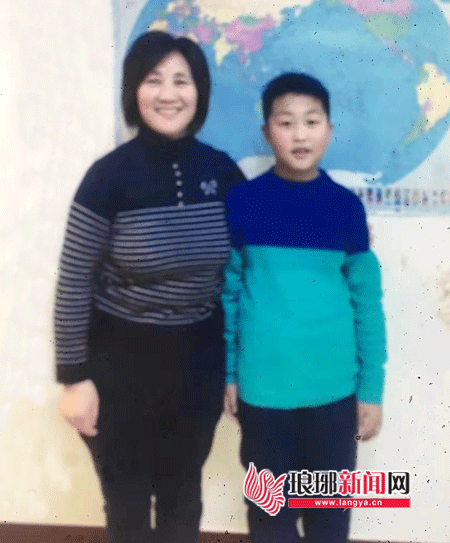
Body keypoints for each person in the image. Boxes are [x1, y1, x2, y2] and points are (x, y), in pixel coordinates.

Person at [55, 31, 245, 543]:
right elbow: (73, 281)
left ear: (199, 91)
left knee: (184, 498)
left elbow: (256, 255)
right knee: (128, 508)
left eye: (182, 81)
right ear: (133, 90)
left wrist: (334, 235)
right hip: (119, 369)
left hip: (197, 365)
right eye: (153, 79)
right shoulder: (107, 177)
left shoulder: (222, 172)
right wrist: (73, 379)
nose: (168, 94)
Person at [222, 73, 387, 543]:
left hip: (334, 397)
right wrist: (228, 374)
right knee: (268, 515)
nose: (299, 134)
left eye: (311, 122)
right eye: (286, 122)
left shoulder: (345, 208)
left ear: (329, 131)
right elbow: (228, 298)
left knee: (329, 518)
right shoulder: (243, 203)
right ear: (266, 132)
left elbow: (367, 305)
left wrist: (371, 390)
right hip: (263, 396)